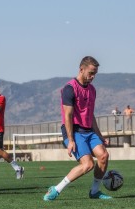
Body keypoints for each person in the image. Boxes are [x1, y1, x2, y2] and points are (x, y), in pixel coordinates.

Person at [43, 56, 111, 201]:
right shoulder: (69, 88)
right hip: (74, 131)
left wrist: (99, 135)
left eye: (95, 74)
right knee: (87, 165)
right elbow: (67, 116)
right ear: (81, 69)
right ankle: (55, 189)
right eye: (91, 73)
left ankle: (94, 192)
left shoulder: (92, 90)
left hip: (89, 131)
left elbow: (90, 114)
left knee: (103, 156)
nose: (93, 77)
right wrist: (71, 140)